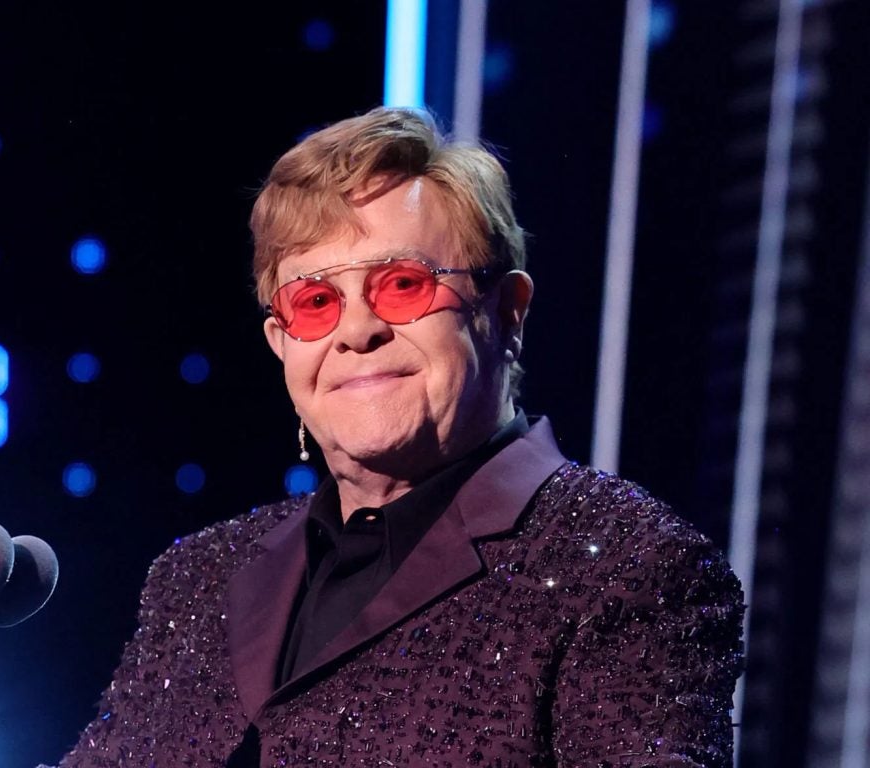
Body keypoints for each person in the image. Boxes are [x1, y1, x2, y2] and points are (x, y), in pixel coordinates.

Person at [43, 106, 744, 767]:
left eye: (403, 285)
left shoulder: (626, 568)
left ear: (506, 312)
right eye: (315, 303)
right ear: (280, 344)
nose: (356, 331)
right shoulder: (196, 580)